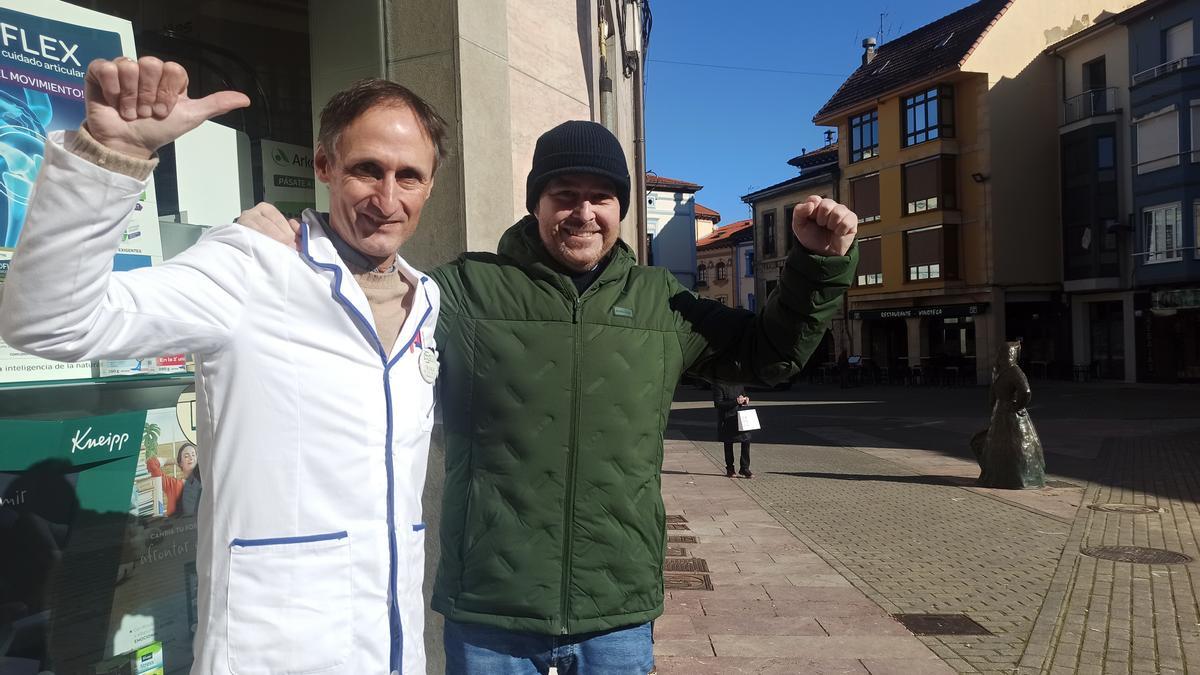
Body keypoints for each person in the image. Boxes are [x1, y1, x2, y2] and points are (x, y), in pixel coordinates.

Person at [239, 119, 859, 674]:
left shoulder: (660, 303)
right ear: (536, 203)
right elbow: (353, 312)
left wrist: (816, 264)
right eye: (564, 195)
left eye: (601, 197)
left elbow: (771, 357)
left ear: (622, 209)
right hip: (491, 612)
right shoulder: (464, 291)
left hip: (615, 609)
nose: (583, 212)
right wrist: (287, 254)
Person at [0, 57, 447, 674]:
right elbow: (48, 320)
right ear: (323, 166)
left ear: (430, 187)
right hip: (275, 652)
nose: (387, 199)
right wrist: (110, 158)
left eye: (409, 176)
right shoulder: (251, 267)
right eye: (367, 170)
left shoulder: (425, 299)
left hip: (394, 647)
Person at [145, 442, 197, 517]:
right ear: (180, 463)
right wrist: (173, 460)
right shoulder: (173, 485)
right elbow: (151, 463)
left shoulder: (203, 483)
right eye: (186, 456)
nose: (191, 458)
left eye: (193, 455)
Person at [713, 382, 753, 478]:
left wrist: (745, 399)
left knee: (746, 440)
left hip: (740, 417)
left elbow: (743, 395)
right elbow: (718, 403)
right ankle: (730, 469)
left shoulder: (739, 383)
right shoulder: (719, 385)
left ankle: (744, 468)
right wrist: (736, 401)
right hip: (727, 419)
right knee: (728, 443)